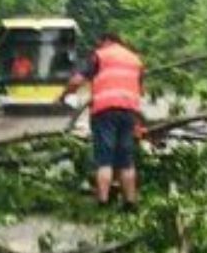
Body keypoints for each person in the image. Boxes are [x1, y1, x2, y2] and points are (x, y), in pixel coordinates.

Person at [61, 32, 145, 207]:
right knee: (126, 160)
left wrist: (62, 96)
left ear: (106, 41)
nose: (97, 46)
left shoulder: (100, 56)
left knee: (104, 158)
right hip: (129, 111)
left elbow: (76, 81)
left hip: (105, 111)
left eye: (99, 43)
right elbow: (140, 90)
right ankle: (130, 202)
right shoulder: (135, 59)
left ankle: (103, 201)